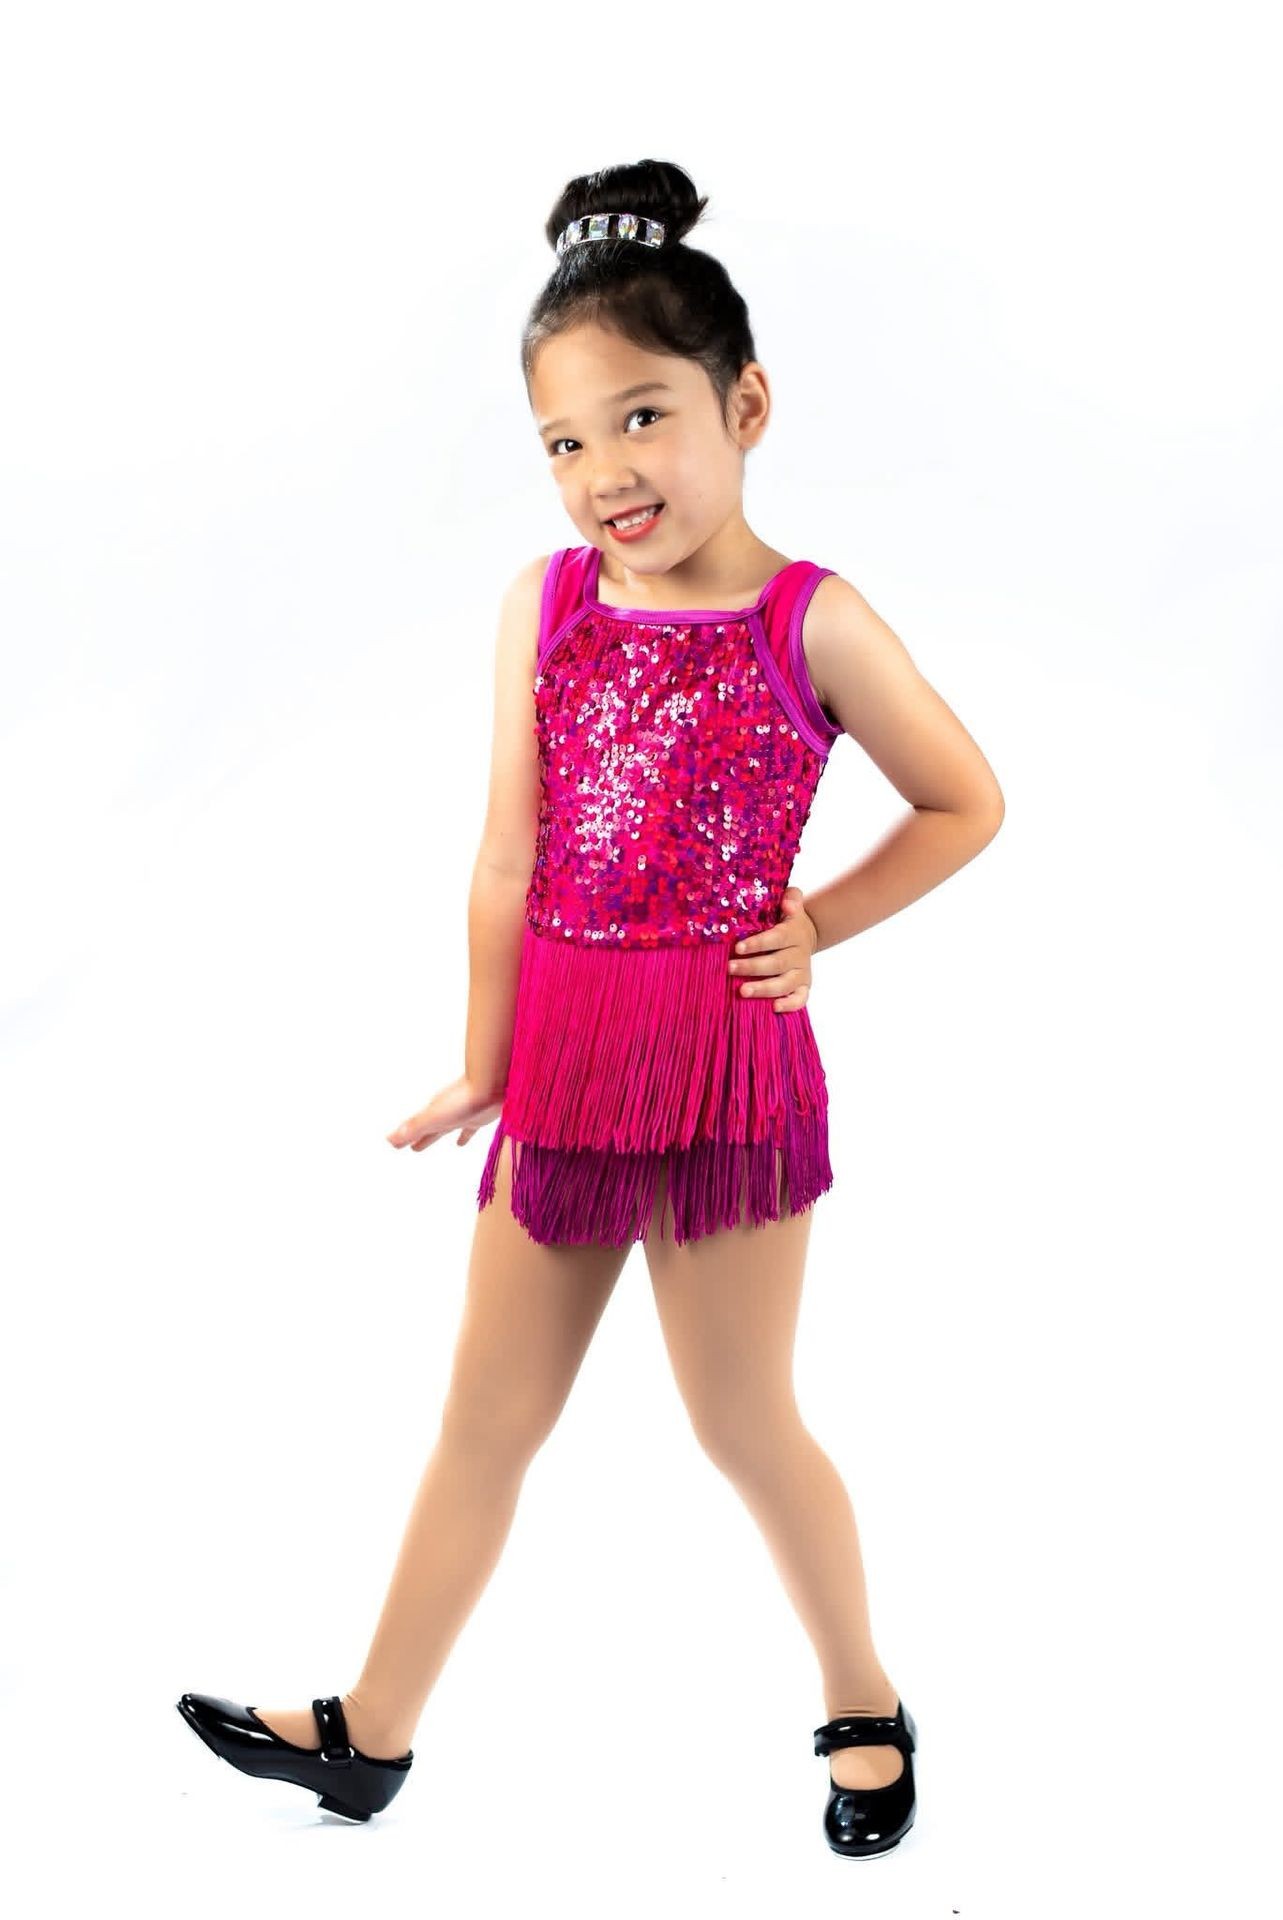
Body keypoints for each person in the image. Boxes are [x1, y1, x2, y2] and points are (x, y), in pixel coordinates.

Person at [177, 157, 1005, 1857]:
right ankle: (372, 1732)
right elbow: (506, 856)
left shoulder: (812, 620)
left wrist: (819, 924)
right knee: (486, 1417)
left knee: (741, 1422)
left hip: (723, 1067)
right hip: (565, 1058)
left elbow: (965, 800)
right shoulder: (545, 606)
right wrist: (485, 1062)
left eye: (641, 419)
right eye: (563, 442)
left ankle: (862, 1697)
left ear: (744, 405)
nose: (605, 474)